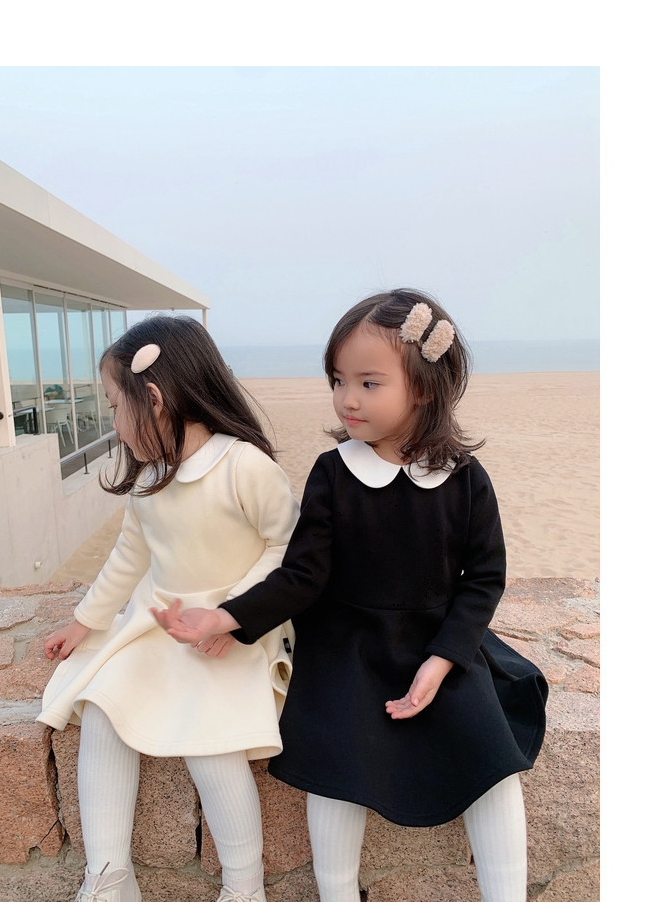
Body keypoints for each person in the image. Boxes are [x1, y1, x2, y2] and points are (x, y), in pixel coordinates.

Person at [156, 289, 549, 902]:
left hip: (442, 641)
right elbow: (302, 575)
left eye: (369, 383)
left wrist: (443, 661)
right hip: (349, 649)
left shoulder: (464, 478)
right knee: (336, 769)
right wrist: (228, 617)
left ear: (424, 387)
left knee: (492, 759)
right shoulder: (333, 472)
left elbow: (484, 578)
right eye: (338, 380)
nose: (348, 399)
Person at [38, 315, 301, 902]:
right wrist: (85, 621)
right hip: (161, 623)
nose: (112, 423)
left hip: (238, 628)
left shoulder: (244, 467)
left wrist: (232, 615)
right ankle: (108, 876)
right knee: (102, 708)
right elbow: (129, 556)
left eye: (115, 406)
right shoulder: (150, 479)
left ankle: (244, 888)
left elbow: (287, 548)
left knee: (211, 742)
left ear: (153, 399)